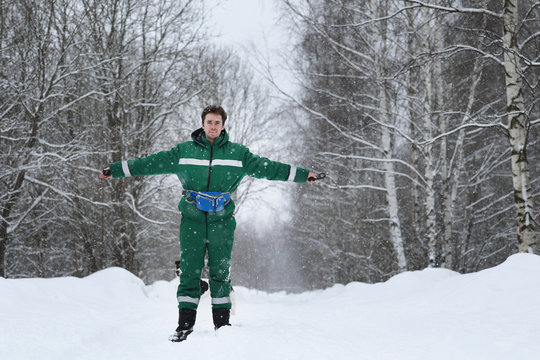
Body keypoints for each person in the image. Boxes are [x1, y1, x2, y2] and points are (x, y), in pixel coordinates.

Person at [99, 105, 321, 342]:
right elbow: (150, 163)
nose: (213, 126)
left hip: (222, 221)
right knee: (189, 271)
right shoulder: (183, 153)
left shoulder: (238, 154)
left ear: (223, 125)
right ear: (202, 124)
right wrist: (115, 170)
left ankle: (222, 325)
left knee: (221, 272)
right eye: (209, 122)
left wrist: (303, 174)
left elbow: (269, 168)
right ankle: (184, 326)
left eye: (217, 123)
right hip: (192, 220)